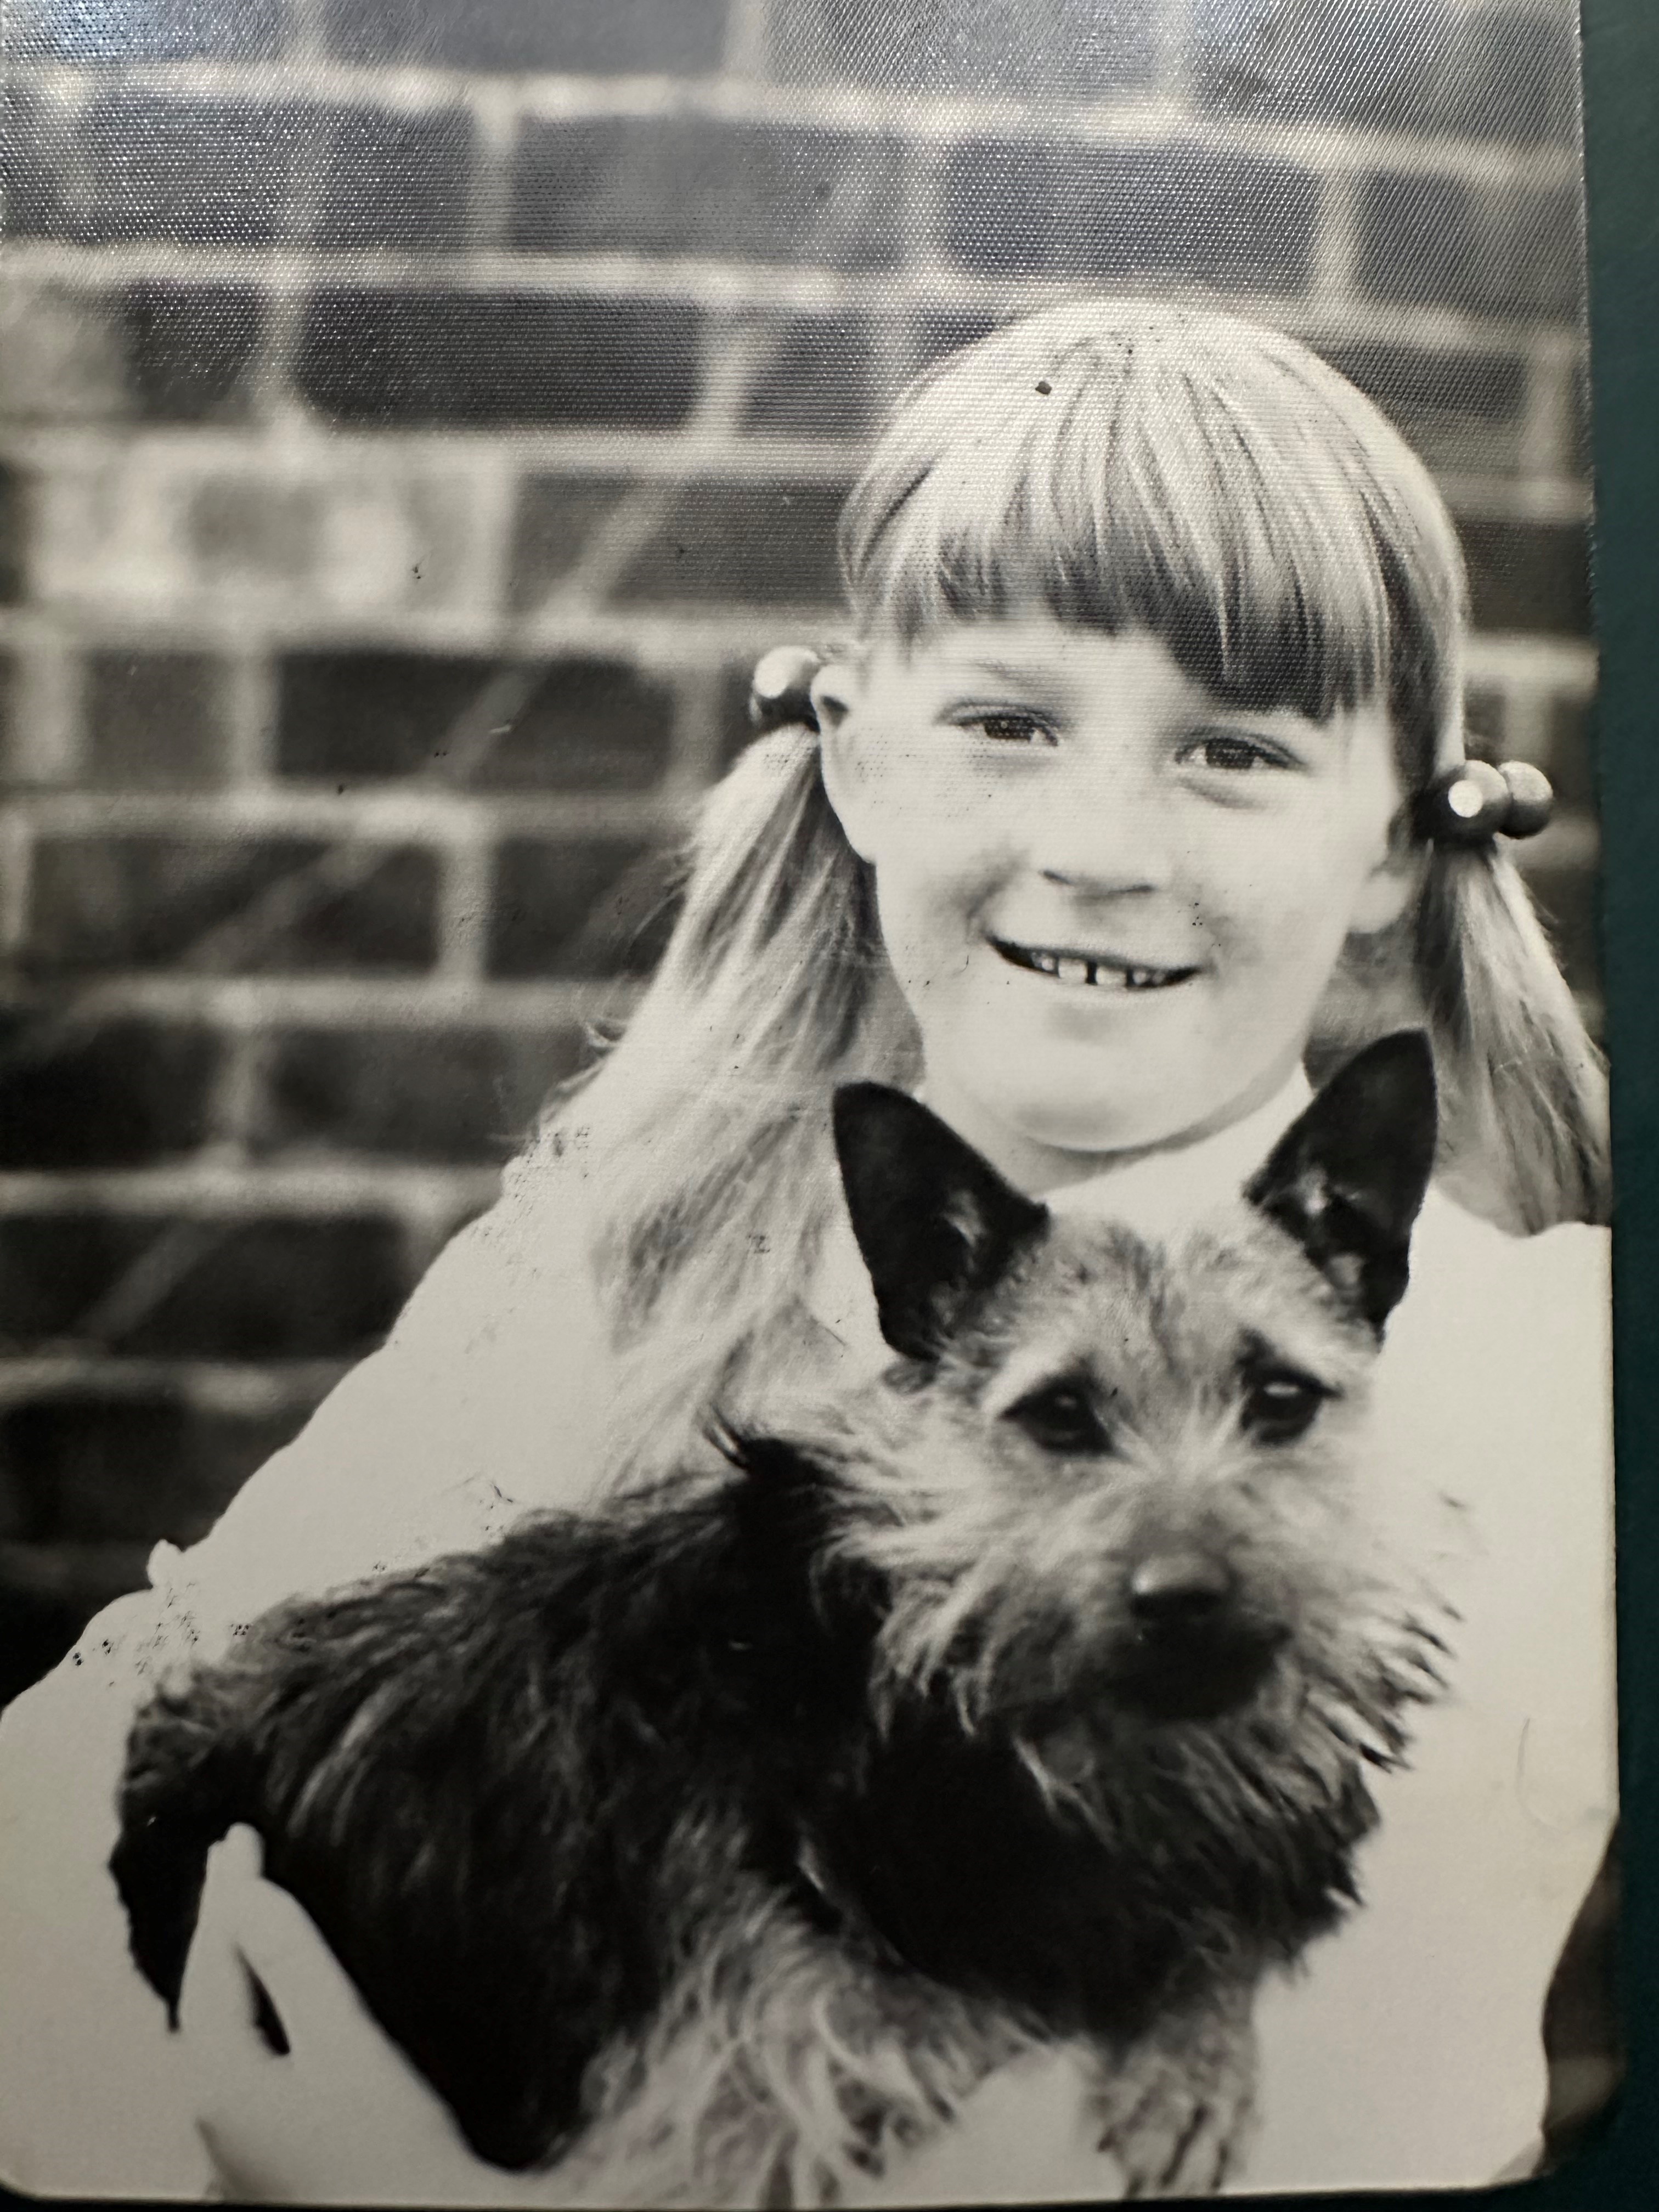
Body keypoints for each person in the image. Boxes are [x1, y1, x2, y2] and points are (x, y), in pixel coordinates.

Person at [0, 301, 1615, 2202]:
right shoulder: (623, 1259)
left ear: (1399, 848)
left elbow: (1211, 2131)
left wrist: (368, 2175)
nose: (1102, 842)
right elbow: (60, 1831)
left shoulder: (1541, 1391)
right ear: (852, 761)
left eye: (1234, 751)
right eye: (1009, 721)